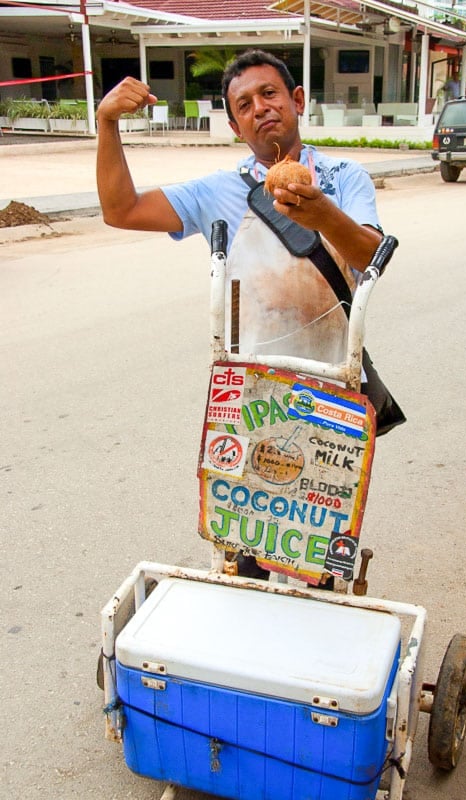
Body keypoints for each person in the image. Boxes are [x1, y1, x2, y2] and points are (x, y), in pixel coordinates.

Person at [96, 49, 404, 579]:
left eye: (270, 94)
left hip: (331, 388)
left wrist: (320, 211)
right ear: (236, 124)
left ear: (297, 101)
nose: (260, 108)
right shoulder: (217, 191)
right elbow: (120, 210)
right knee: (245, 547)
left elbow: (367, 257)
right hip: (247, 396)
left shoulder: (345, 178)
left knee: (320, 546)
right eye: (244, 104)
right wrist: (106, 124)